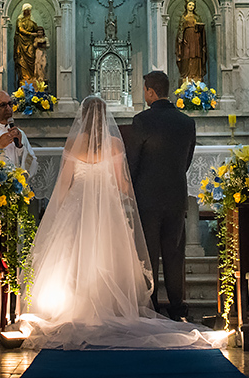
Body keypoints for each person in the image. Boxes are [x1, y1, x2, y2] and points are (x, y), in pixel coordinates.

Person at [23, 95, 218, 350]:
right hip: (107, 208)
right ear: (106, 117)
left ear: (82, 117)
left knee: (74, 256)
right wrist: (124, 198)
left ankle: (71, 306)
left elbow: (64, 183)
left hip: (77, 206)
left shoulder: (74, 143)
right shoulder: (113, 144)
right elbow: (122, 183)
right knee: (110, 255)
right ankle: (112, 306)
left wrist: (58, 212)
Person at [124, 71, 196, 321]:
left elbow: (133, 161)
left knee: (149, 254)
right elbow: (187, 160)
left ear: (151, 92)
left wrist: (131, 189)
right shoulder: (187, 122)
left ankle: (151, 308)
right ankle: (178, 309)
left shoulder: (141, 121)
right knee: (175, 253)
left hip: (148, 198)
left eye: (145, 90)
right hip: (176, 196)